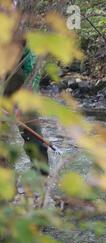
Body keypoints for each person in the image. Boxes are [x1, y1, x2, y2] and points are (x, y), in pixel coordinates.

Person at [1, 1, 48, 176]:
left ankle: (42, 178)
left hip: (22, 88)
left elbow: (32, 70)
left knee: (34, 134)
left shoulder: (23, 35)